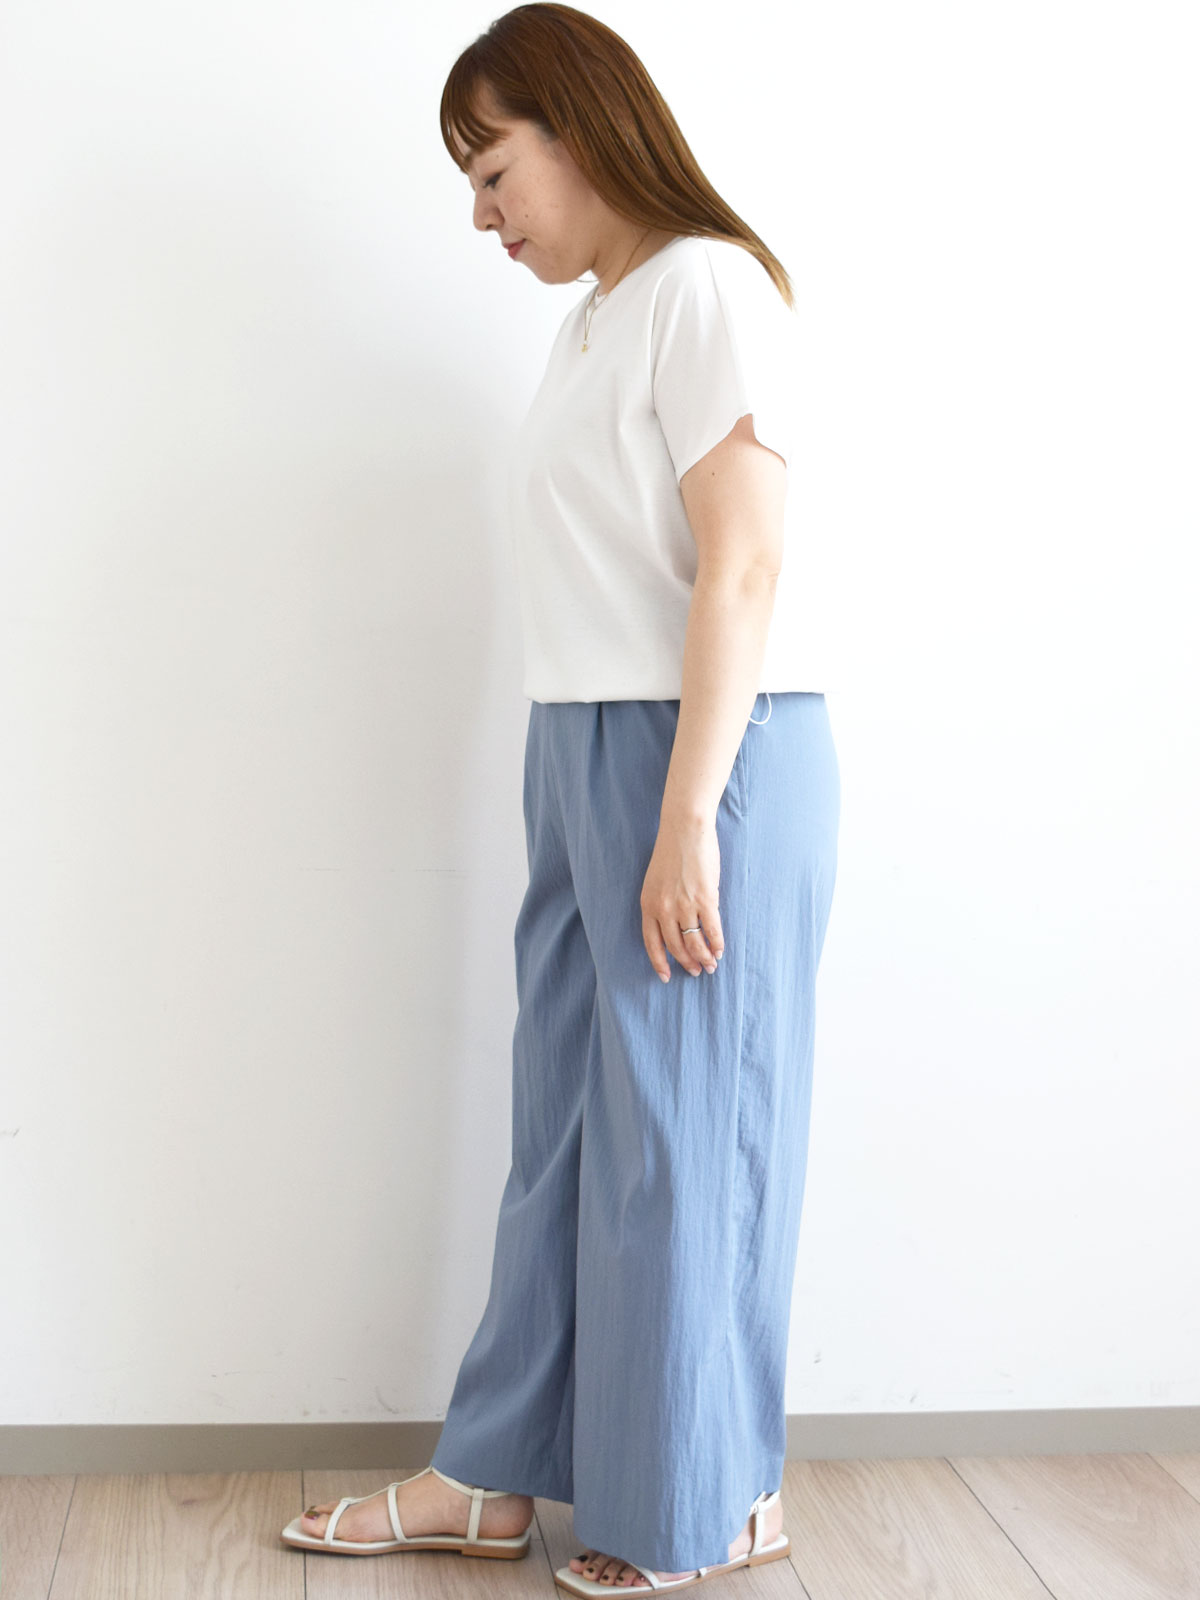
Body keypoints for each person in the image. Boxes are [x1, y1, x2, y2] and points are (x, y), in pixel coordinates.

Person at [280, 3, 839, 1592]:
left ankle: (714, 1501)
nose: (481, 215)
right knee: (568, 1128)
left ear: (580, 130)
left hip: (709, 755)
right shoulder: (598, 318)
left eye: (492, 169)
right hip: (582, 739)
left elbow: (745, 562)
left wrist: (687, 815)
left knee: (687, 1137)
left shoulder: (708, 289)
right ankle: (495, 1473)